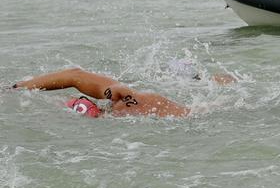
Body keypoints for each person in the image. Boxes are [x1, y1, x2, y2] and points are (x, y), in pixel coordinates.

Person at [11, 67, 189, 118]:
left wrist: (14, 88)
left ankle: (12, 88)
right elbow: (74, 75)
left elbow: (74, 75)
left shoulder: (124, 101)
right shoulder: (124, 102)